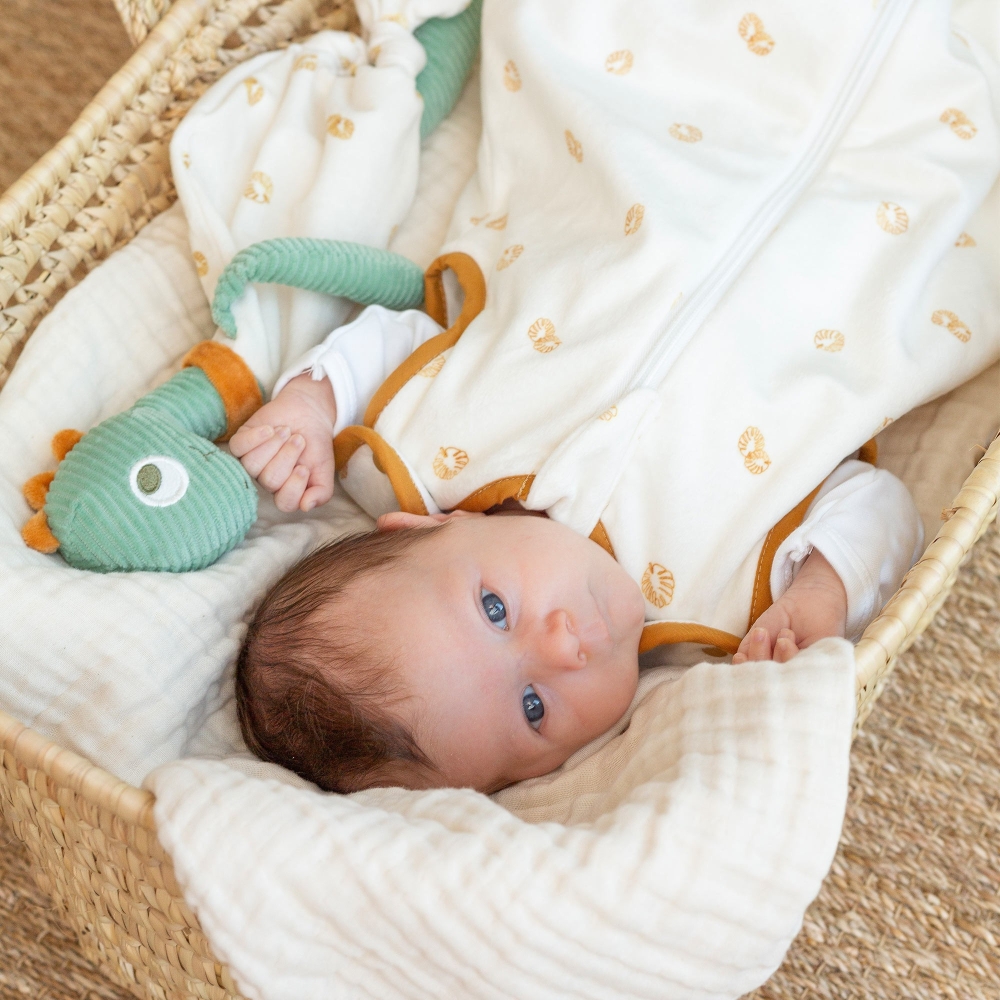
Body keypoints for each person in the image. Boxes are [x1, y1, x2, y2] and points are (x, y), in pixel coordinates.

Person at [230, 305, 923, 795]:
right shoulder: (727, 602)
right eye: (534, 708)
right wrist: (822, 592)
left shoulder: (433, 441)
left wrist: (312, 404)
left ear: (423, 525)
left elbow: (406, 344)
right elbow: (874, 501)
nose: (563, 647)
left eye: (494, 608)